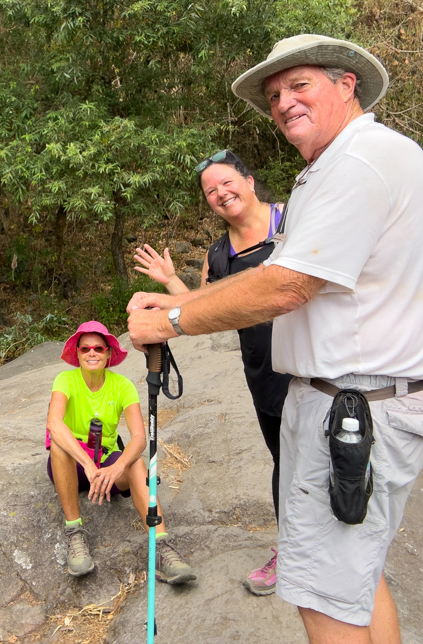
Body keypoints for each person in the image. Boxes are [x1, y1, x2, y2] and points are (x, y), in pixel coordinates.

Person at [126, 34, 423, 644]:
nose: (283, 102)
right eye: (274, 94)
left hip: (355, 407)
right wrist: (180, 299)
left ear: (346, 85)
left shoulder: (357, 164)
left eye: (299, 85)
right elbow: (277, 284)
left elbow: (285, 287)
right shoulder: (334, 170)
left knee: (324, 597)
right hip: (359, 399)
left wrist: (168, 323)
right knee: (356, 578)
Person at [133, 149, 291, 595]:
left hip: (318, 370)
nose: (221, 193)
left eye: (227, 182)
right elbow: (202, 310)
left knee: (324, 466)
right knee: (286, 465)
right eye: (210, 191)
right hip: (265, 376)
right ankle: (292, 553)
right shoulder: (219, 253)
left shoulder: (294, 220)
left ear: (251, 180)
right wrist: (169, 283)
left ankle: (328, 554)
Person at [46, 320, 196, 583]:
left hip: (106, 463)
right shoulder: (65, 380)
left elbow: (139, 437)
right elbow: (54, 423)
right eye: (85, 349)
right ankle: (75, 532)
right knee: (59, 443)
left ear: (108, 353)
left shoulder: (123, 386)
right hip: (73, 464)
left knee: (136, 462)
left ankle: (160, 547)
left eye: (98, 348)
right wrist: (88, 465)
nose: (92, 353)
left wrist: (115, 467)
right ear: (77, 353)